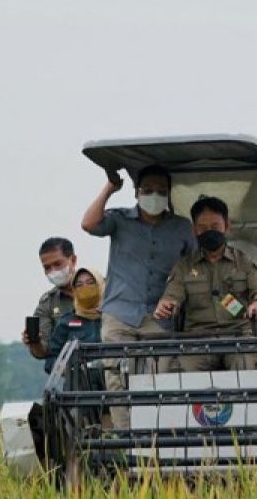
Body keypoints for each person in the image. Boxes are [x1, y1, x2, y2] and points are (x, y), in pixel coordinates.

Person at [82, 165, 196, 426]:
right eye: (147, 190)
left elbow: (192, 268)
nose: (153, 196)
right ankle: (127, 440)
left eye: (160, 191)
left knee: (160, 380)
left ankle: (154, 441)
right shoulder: (119, 219)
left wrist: (175, 299)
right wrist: (110, 187)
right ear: (136, 193)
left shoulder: (181, 227)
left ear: (168, 195)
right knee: (117, 379)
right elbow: (88, 223)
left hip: (159, 317)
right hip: (119, 314)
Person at [154, 196, 257, 371]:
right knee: (182, 371)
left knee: (245, 368)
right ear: (194, 230)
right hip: (197, 340)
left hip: (238, 336)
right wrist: (165, 305)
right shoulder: (184, 266)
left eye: (215, 226)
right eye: (203, 227)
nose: (209, 231)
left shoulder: (244, 261)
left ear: (227, 226)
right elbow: (171, 295)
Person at [22, 237, 78, 369]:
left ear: (73, 260)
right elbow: (43, 352)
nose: (53, 271)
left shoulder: (103, 290)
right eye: (47, 268)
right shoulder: (48, 303)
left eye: (58, 264)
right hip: (72, 374)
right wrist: (34, 343)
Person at [45, 268, 106, 374]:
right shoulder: (66, 322)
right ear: (74, 290)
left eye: (90, 282)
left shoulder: (114, 320)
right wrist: (61, 367)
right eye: (79, 284)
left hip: (111, 386)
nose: (85, 287)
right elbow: (50, 360)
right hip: (77, 387)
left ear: (101, 285)